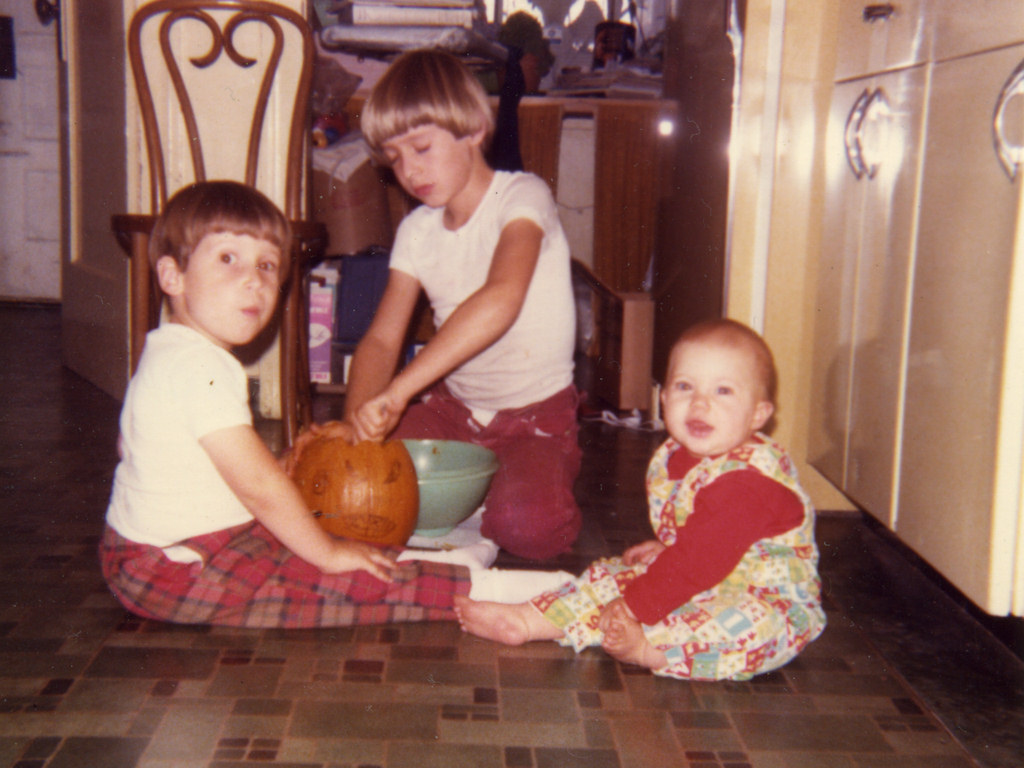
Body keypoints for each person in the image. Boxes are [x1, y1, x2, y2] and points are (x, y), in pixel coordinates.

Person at [99, 181, 568, 628]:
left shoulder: (167, 349)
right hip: (177, 571)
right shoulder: (196, 367)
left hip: (168, 550)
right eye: (228, 259)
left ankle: (443, 563)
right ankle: (521, 591)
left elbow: (130, 444)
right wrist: (326, 553)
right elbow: (259, 487)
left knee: (316, 530)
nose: (254, 282)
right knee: (351, 582)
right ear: (171, 275)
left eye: (267, 266)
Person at [299, 49, 581, 561]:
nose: (409, 170)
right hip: (454, 414)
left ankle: (519, 485)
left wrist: (400, 392)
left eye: (421, 148)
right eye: (395, 157)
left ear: (473, 127)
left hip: (536, 419)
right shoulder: (416, 231)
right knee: (363, 486)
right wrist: (358, 420)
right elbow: (384, 339)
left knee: (528, 530)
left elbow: (501, 300)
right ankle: (476, 494)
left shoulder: (523, 198)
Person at [454, 319, 827, 681]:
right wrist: (666, 549)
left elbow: (697, 563)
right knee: (614, 577)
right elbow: (699, 541)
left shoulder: (746, 483)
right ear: (663, 398)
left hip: (761, 597)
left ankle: (650, 650)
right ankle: (529, 620)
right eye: (684, 387)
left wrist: (635, 606)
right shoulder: (681, 454)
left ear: (758, 414)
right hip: (705, 576)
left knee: (744, 628)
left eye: (723, 391)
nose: (699, 404)